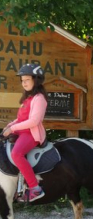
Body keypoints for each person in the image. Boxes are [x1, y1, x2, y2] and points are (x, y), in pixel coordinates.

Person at [2, 64, 48, 202]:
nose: (24, 83)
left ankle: (35, 188)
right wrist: (9, 126)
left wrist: (13, 129)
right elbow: (21, 119)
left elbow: (34, 121)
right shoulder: (27, 98)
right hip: (22, 131)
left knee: (16, 154)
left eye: (27, 80)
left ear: (36, 80)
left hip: (31, 134)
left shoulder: (39, 98)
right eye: (22, 80)